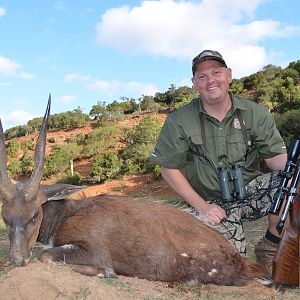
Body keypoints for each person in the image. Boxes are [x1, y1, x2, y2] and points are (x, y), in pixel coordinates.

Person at [150, 49, 288, 266]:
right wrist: (203, 207)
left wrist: (295, 172)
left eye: (216, 72)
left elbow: (277, 160)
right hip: (211, 204)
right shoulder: (179, 120)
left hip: (252, 192)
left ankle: (271, 244)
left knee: (294, 182)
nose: (210, 80)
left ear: (229, 75)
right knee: (233, 267)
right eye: (202, 76)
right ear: (194, 83)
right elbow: (169, 169)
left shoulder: (256, 113)